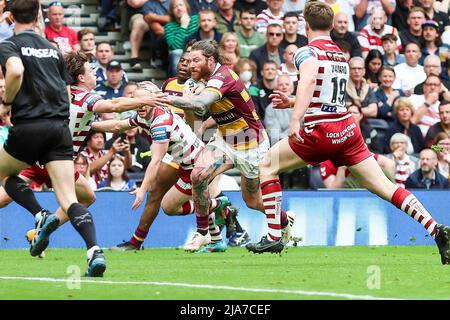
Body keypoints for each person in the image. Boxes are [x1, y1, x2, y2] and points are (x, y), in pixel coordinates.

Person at [250, 2, 450, 263]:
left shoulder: (305, 51)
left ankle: (274, 236)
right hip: (346, 129)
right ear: (332, 26)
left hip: (320, 130)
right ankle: (437, 229)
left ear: (306, 25)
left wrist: (295, 117)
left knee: (266, 165)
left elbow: (310, 80)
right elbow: (325, 93)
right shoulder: (338, 55)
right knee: (386, 187)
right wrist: (291, 101)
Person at [0, 0, 105, 276]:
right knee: (70, 199)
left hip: (29, 127)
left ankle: (39, 214)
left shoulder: (9, 45)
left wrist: (7, 101)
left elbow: (15, 71)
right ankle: (94, 251)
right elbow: (63, 87)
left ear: (10, 17)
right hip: (59, 130)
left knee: (6, 176)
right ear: (38, 15)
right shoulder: (53, 49)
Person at [166, 40, 295, 251]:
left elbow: (200, 104)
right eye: (188, 61)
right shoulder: (199, 80)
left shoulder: (223, 76)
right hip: (225, 139)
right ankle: (204, 234)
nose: (191, 66)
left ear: (210, 60)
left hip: (251, 144)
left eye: (196, 61)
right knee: (198, 176)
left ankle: (284, 219)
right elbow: (196, 119)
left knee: (252, 201)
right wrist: (189, 101)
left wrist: (167, 98)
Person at [92, 87, 230, 252]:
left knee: (169, 207)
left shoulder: (160, 123)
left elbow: (156, 160)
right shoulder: (147, 114)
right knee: (179, 203)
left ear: (153, 100)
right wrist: (92, 125)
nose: (141, 106)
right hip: (192, 162)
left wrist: (142, 190)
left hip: (196, 166)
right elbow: (117, 125)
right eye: (138, 103)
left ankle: (215, 208)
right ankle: (217, 235)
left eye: (145, 102)